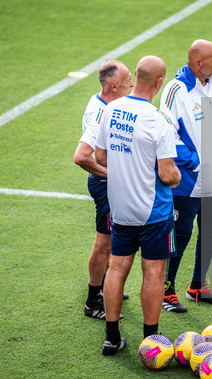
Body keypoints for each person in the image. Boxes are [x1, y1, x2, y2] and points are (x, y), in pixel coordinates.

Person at [95, 56, 181, 356]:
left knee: (117, 269)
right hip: (153, 211)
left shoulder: (111, 110)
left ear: (136, 77)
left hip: (120, 207)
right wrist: (178, 175)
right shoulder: (160, 120)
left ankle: (111, 337)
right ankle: (151, 341)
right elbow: (167, 174)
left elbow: (101, 157)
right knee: (154, 272)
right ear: (159, 82)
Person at [158, 39, 212, 313]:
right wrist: (196, 162)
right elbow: (166, 133)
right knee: (181, 232)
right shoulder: (175, 90)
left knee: (211, 227)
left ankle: (198, 286)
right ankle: (167, 289)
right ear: (197, 63)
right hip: (188, 178)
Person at [73, 60, 134, 321]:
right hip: (105, 185)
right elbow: (82, 157)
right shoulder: (101, 114)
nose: (132, 84)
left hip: (109, 184)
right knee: (104, 244)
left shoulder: (106, 103)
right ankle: (92, 301)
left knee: (111, 243)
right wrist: (115, 176)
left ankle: (108, 287)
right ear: (113, 85)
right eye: (128, 80)